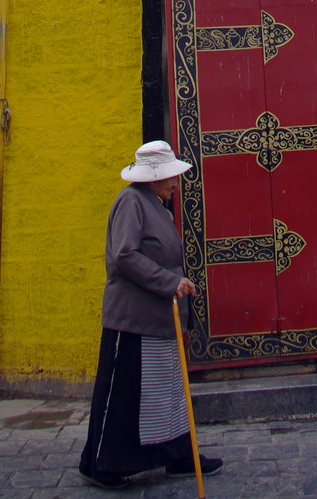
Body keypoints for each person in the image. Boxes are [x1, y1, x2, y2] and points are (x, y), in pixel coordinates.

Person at [78, 141, 223, 490]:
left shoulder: (156, 206)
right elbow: (125, 256)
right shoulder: (131, 202)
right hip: (132, 322)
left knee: (167, 392)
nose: (176, 182)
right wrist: (169, 282)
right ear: (153, 177)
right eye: (170, 176)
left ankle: (177, 456)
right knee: (124, 396)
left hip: (158, 320)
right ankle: (104, 464)